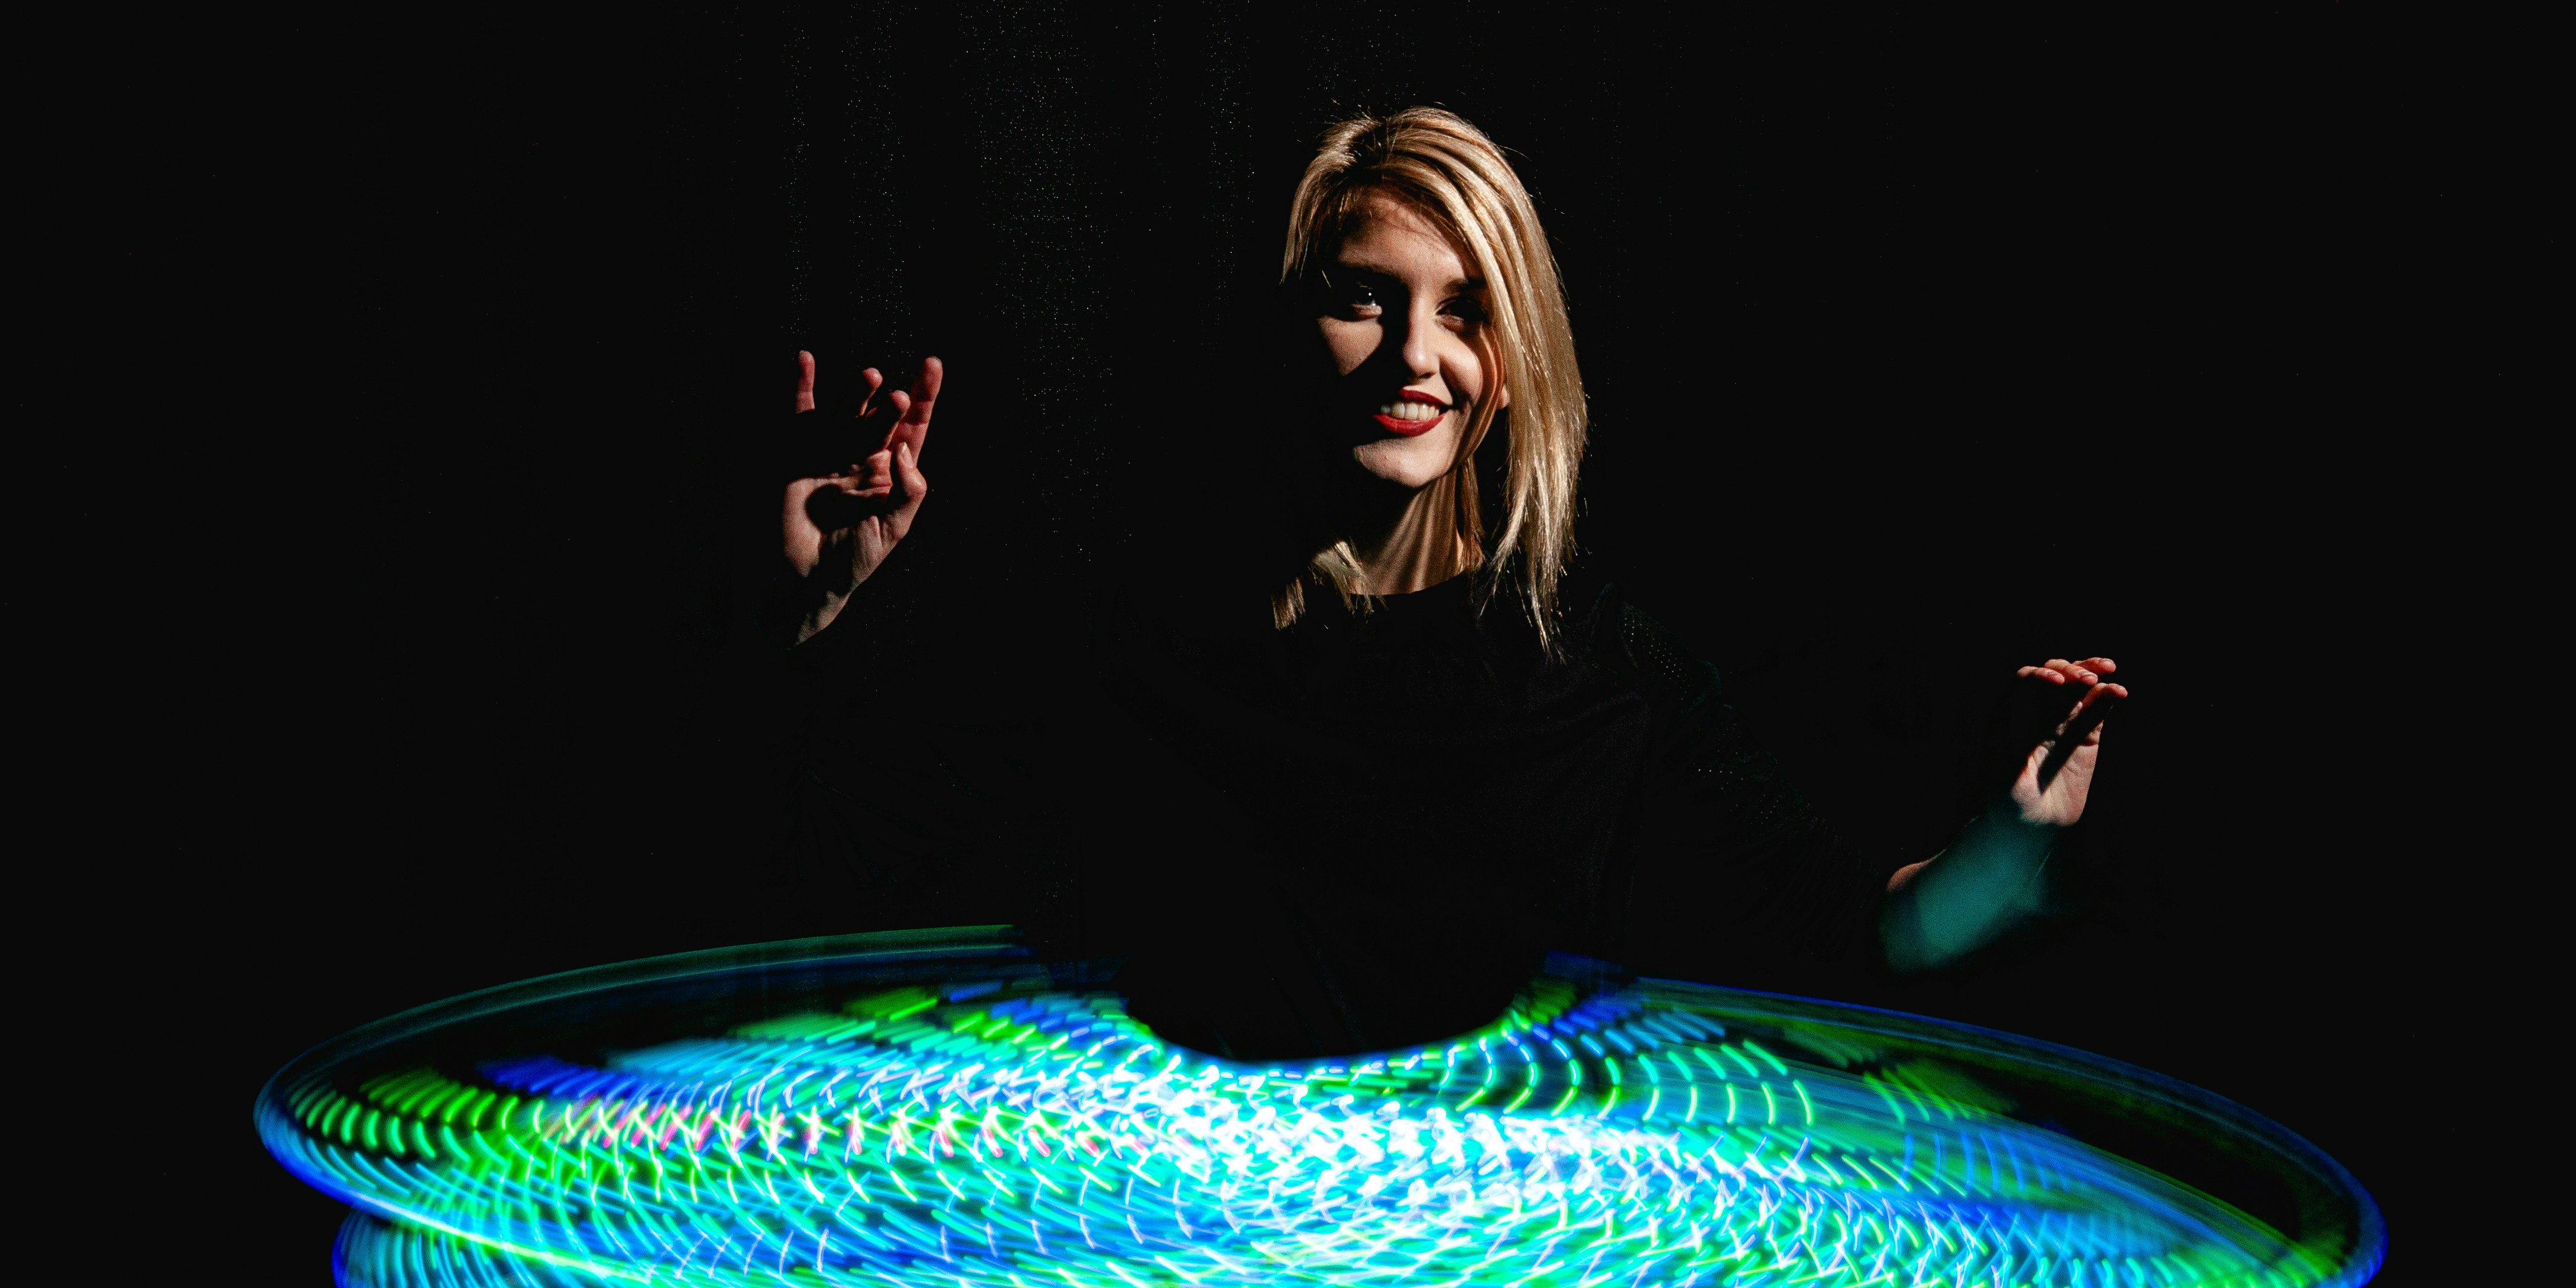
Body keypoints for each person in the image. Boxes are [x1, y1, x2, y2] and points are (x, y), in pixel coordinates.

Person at [754, 107, 2125, 1061]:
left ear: (1515, 357)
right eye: (1366, 298)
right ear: (1296, 330)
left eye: (1465, 309)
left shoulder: (1597, 672)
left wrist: (2010, 847)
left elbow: (1853, 936)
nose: (1416, 352)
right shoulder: (1139, 633)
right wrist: (816, 621)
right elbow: (858, 889)